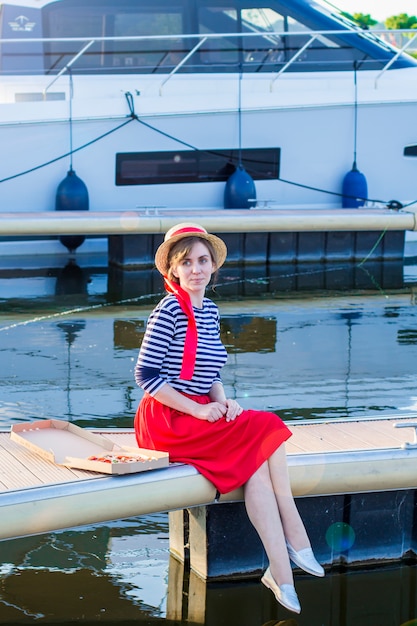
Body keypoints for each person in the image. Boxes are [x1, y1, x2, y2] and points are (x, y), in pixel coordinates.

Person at [134, 222, 324, 614]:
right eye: (186, 262)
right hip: (169, 420)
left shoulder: (210, 309)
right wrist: (201, 409)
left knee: (256, 468)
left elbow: (209, 372)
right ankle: (296, 534)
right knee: (269, 425)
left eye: (203, 260)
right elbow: (146, 375)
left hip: (200, 412)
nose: (196, 269)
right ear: (173, 270)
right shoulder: (169, 309)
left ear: (213, 267)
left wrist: (224, 400)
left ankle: (281, 573)